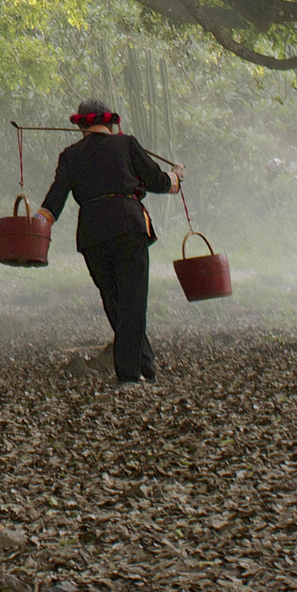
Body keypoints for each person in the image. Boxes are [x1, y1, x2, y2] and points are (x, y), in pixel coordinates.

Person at [41, 98, 180, 386]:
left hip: (92, 234)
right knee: (132, 300)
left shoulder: (70, 156)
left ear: (82, 125)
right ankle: (129, 374)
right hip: (128, 225)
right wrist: (175, 177)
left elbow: (55, 198)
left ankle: (145, 366)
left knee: (114, 300)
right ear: (109, 122)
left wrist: (40, 222)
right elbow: (156, 181)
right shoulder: (126, 144)